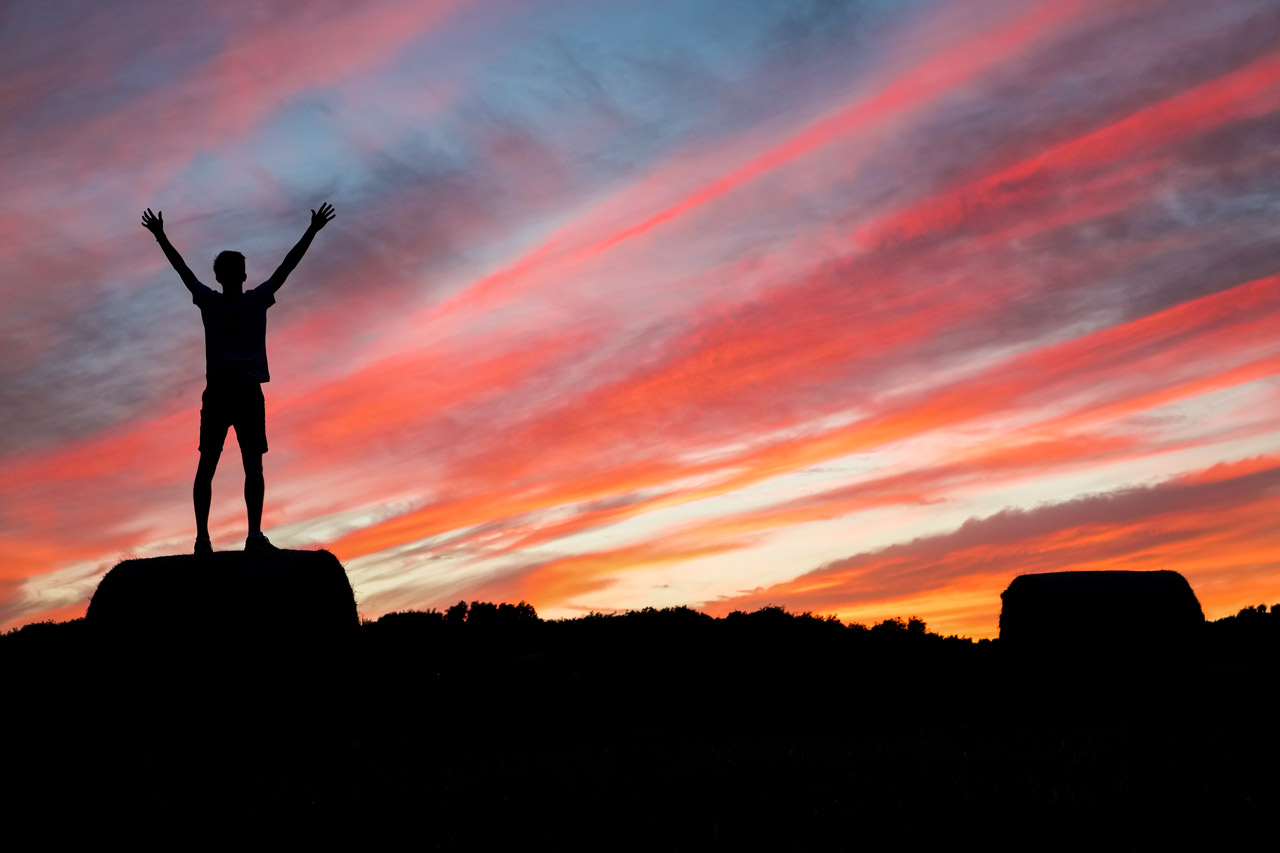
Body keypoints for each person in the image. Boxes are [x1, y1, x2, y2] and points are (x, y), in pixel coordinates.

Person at [141, 203, 335, 554]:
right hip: (245, 390)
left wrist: (160, 236)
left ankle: (203, 539)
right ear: (243, 275)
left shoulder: (209, 301)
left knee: (207, 465)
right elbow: (287, 267)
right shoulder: (255, 300)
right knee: (252, 466)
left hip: (218, 392)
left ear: (219, 277)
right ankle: (253, 536)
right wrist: (313, 230)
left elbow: (182, 270)